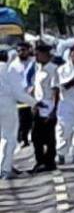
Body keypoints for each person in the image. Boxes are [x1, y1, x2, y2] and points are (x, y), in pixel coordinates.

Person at [0, 48, 35, 179]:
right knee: (8, 138)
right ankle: (5, 169)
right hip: (6, 106)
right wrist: (34, 103)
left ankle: (4, 166)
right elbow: (18, 93)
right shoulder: (9, 70)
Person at [30, 43, 60, 173]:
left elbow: (55, 91)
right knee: (36, 137)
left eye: (38, 54)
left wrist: (53, 110)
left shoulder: (53, 69)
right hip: (38, 107)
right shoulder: (38, 69)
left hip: (49, 107)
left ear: (45, 55)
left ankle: (50, 161)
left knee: (49, 137)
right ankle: (40, 161)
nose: (36, 56)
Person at [12, 41, 34, 148]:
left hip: (33, 95)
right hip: (20, 96)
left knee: (33, 119)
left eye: (23, 50)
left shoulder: (33, 62)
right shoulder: (13, 65)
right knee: (22, 120)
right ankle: (22, 139)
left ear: (28, 50)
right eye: (19, 51)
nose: (21, 52)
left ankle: (32, 137)